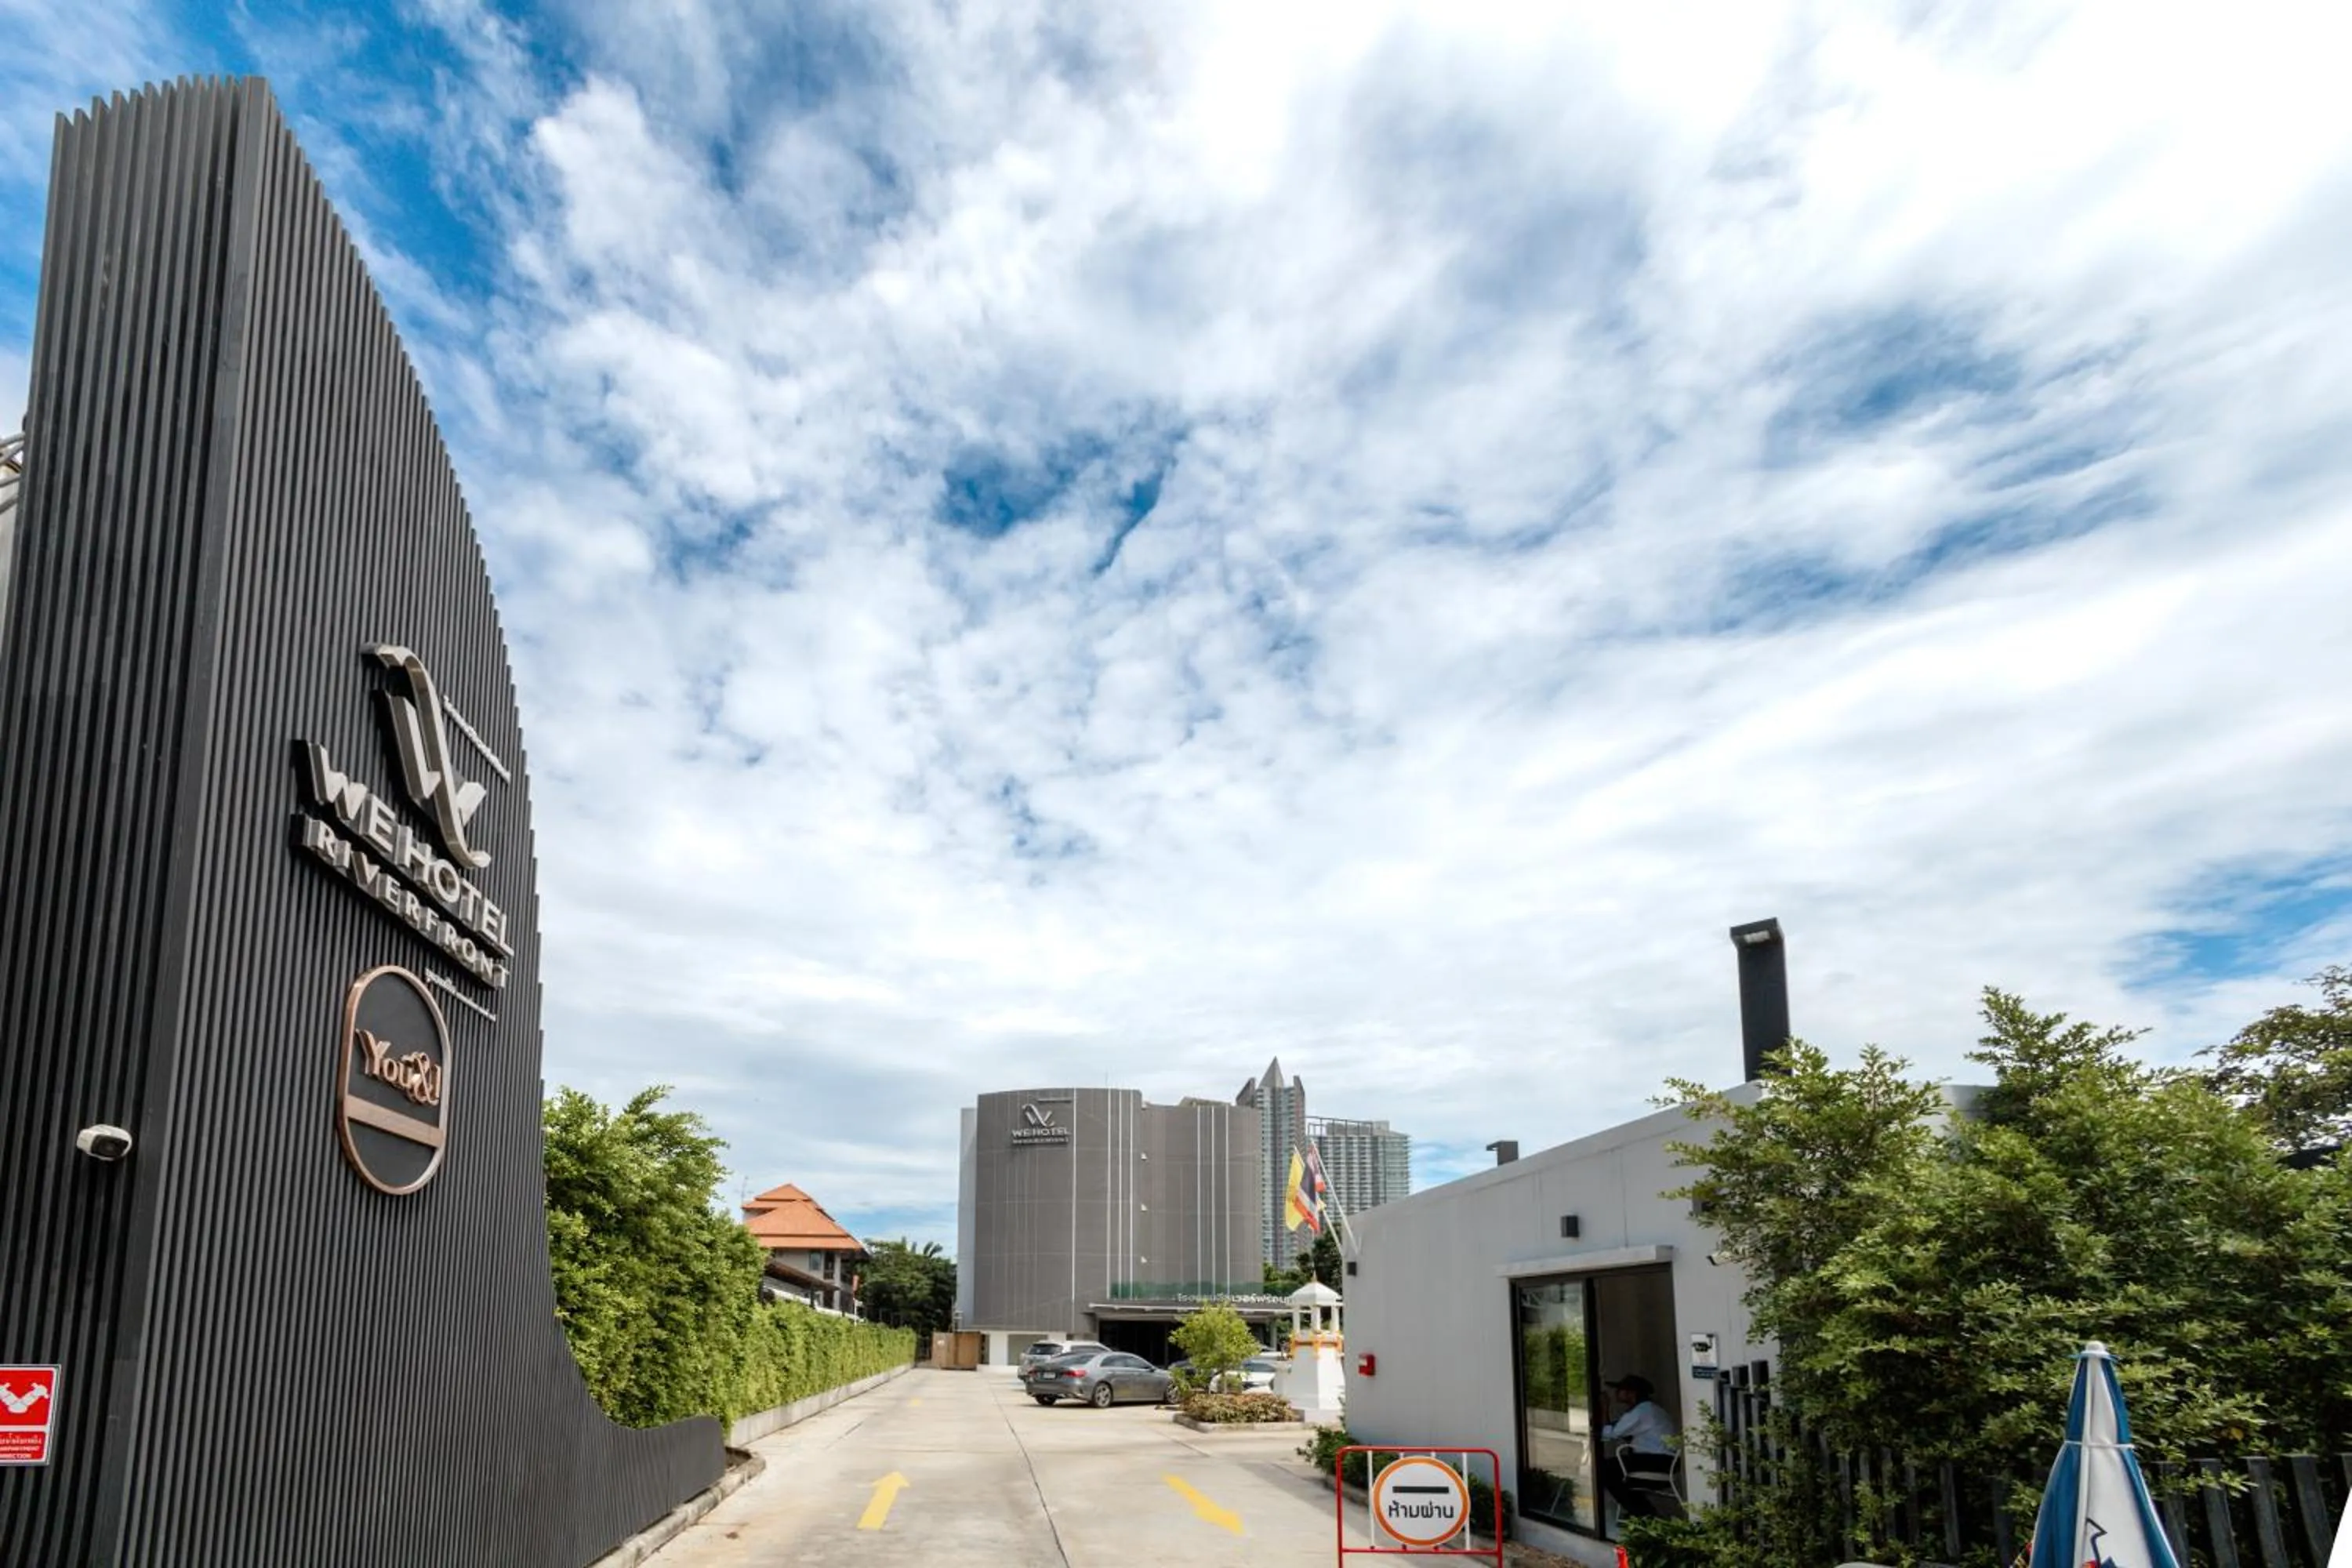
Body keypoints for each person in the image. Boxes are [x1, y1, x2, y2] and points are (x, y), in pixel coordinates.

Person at [1597, 1374, 1679, 1523]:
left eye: (1620, 1390)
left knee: (1604, 1469)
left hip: (1657, 1461)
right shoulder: (1650, 1409)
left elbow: (1609, 1434)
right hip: (1666, 1461)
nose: (1616, 1393)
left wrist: (1604, 1407)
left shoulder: (1642, 1411)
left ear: (1631, 1393)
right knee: (1617, 1473)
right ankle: (1641, 1513)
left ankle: (1646, 1515)